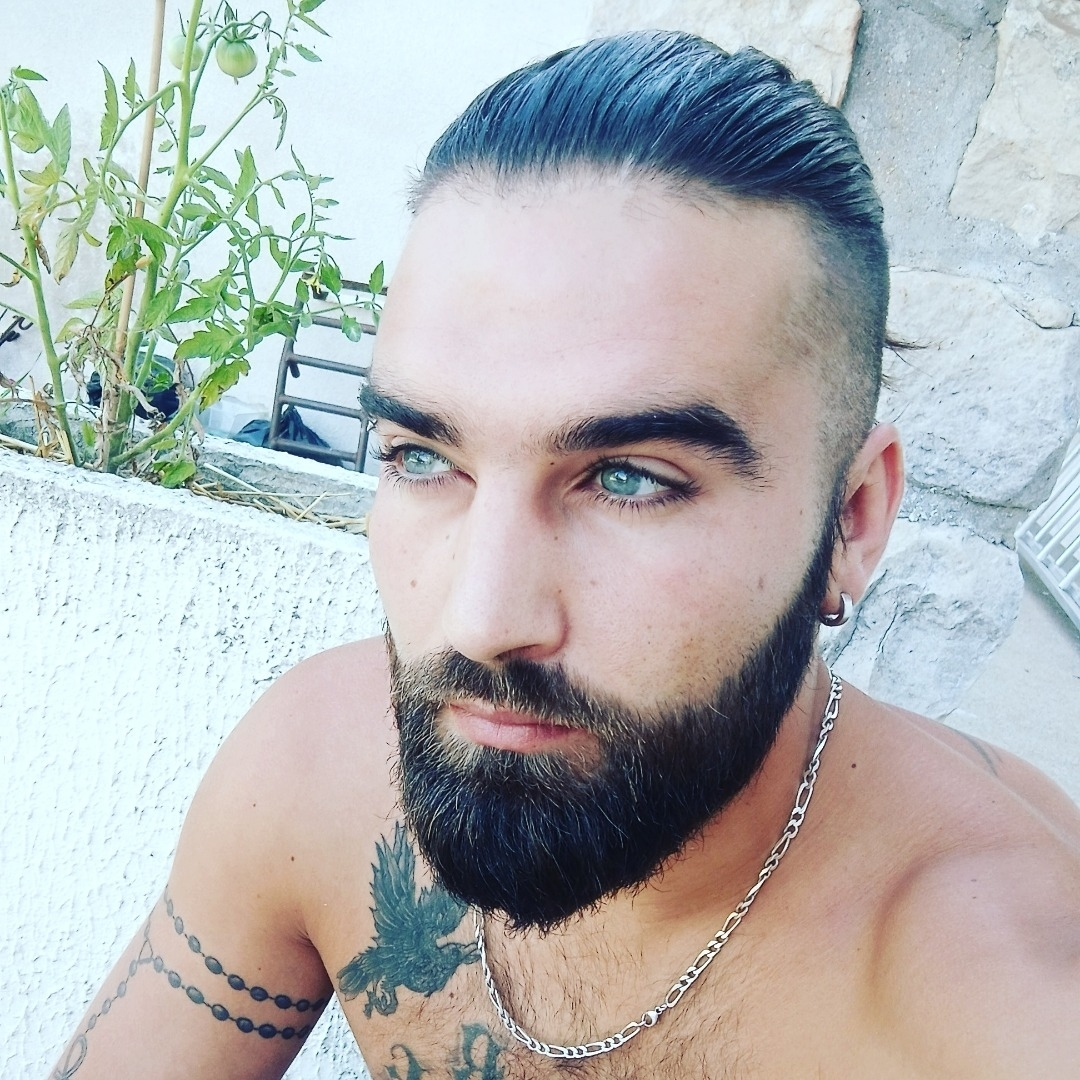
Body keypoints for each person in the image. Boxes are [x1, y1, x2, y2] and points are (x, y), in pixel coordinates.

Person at [51, 30, 1080, 1080]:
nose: (481, 620)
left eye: (628, 478)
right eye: (422, 457)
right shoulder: (316, 771)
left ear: (851, 521)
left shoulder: (1006, 999)